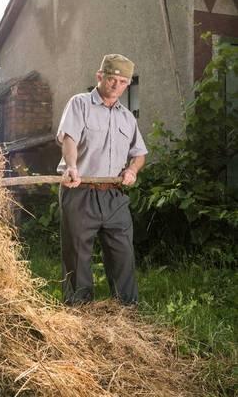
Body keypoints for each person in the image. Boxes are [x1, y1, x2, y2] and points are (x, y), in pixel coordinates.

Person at [56, 54, 148, 306]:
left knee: (123, 254)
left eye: (123, 81)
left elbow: (139, 153)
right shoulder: (80, 104)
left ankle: (126, 312)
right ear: (100, 77)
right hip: (80, 190)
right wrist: (72, 166)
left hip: (114, 196)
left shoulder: (127, 117)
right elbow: (69, 139)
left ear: (128, 84)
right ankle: (79, 312)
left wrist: (132, 171)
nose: (116, 86)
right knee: (77, 255)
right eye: (112, 79)